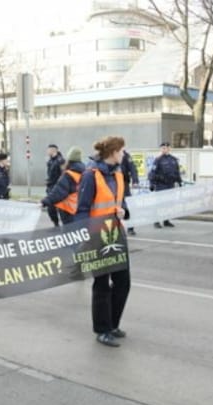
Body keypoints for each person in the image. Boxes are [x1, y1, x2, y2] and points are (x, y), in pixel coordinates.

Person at [74, 136, 131, 347]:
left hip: (116, 234)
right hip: (97, 236)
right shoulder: (90, 175)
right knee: (102, 284)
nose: (124, 154)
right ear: (113, 152)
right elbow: (82, 210)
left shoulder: (117, 174)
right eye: (122, 151)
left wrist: (125, 211)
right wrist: (84, 237)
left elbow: (120, 202)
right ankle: (102, 329)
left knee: (123, 282)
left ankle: (113, 324)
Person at [40, 146, 85, 226]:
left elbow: (59, 192)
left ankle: (56, 224)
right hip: (79, 209)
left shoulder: (68, 174)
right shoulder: (85, 172)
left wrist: (45, 201)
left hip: (68, 209)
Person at [148, 142, 182, 228]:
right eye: (163, 148)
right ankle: (156, 221)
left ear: (169, 149)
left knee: (169, 203)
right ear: (161, 149)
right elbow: (152, 173)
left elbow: (177, 172)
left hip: (170, 185)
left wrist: (179, 182)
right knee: (159, 204)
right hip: (161, 185)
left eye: (166, 148)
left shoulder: (173, 159)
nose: (164, 149)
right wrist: (152, 184)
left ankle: (166, 220)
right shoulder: (158, 160)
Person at [44, 144, 65, 227]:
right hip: (51, 187)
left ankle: (66, 225)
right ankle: (56, 224)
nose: (47, 151)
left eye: (49, 150)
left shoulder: (61, 161)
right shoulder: (50, 161)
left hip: (58, 187)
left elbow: (63, 174)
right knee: (50, 208)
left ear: (54, 150)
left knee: (61, 208)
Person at [120, 148, 139, 235]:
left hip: (124, 184)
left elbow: (133, 169)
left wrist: (135, 181)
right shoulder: (110, 155)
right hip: (113, 184)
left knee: (128, 206)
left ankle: (130, 227)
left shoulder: (126, 156)